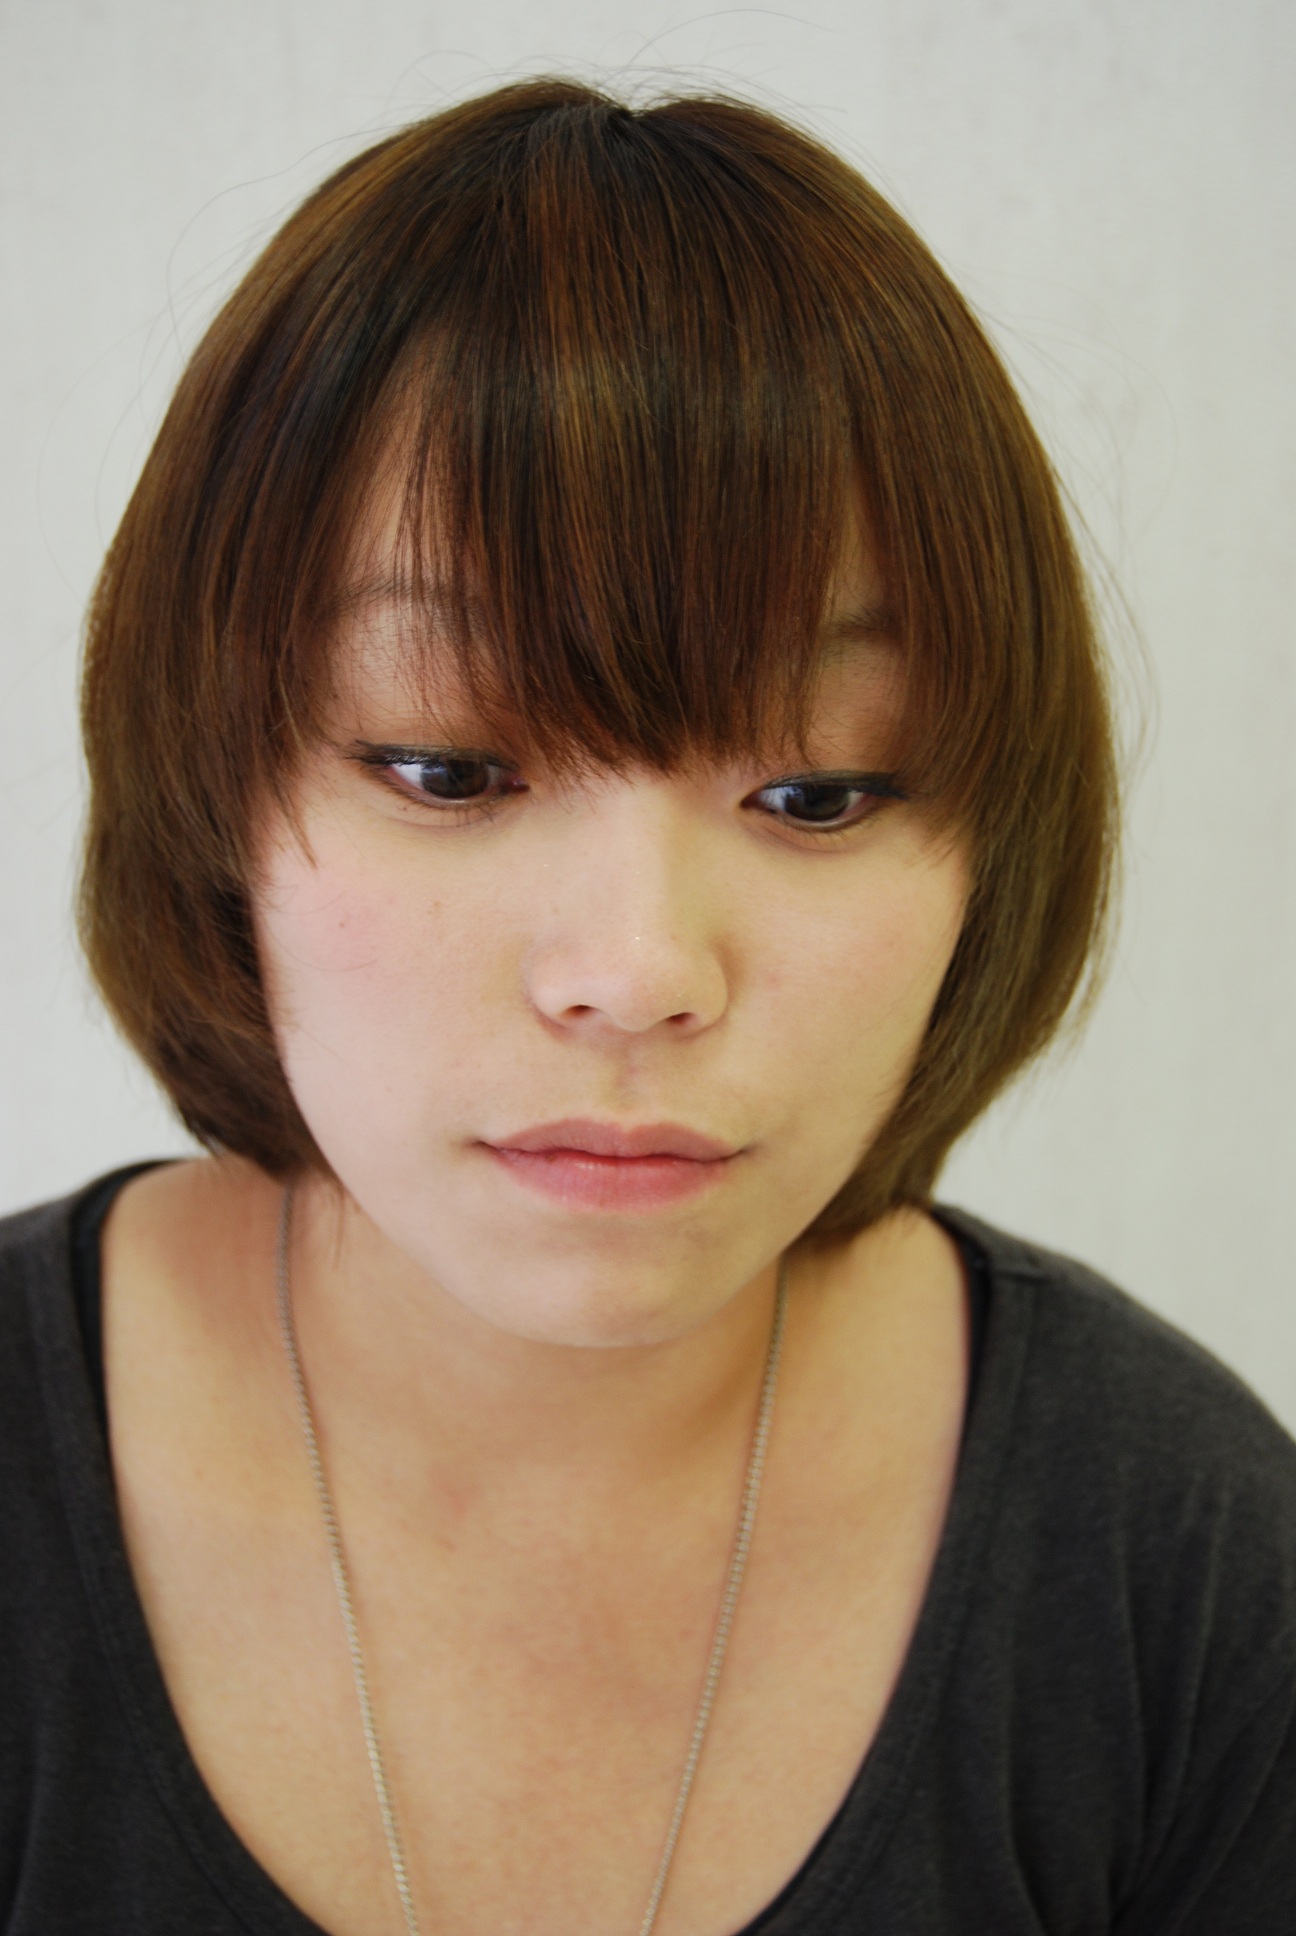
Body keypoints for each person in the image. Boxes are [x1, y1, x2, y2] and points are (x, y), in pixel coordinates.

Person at [0, 76, 1292, 1936]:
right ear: (213, 792)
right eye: (450, 770)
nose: (639, 972)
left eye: (817, 793)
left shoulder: (1183, 1559)